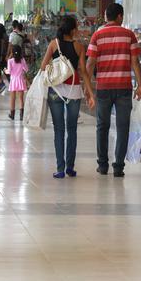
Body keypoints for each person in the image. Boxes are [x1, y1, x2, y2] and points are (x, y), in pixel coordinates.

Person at [86, 3, 141, 178]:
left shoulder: (97, 35)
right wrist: (140, 85)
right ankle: (118, 166)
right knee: (122, 127)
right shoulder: (129, 35)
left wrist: (87, 88)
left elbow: (90, 64)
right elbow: (135, 62)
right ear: (120, 16)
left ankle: (102, 165)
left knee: (102, 126)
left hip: (103, 87)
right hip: (123, 87)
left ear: (106, 17)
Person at [41, 16, 95, 178]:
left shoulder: (53, 44)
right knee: (72, 129)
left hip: (56, 90)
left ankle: (60, 169)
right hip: (74, 90)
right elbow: (83, 72)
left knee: (59, 130)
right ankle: (70, 167)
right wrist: (90, 93)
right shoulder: (79, 46)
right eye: (76, 27)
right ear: (72, 30)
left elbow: (43, 66)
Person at [6, 45, 28, 120]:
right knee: (21, 98)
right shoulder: (22, 60)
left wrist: (5, 70)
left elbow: (9, 71)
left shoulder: (10, 61)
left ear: (12, 52)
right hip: (20, 80)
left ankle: (12, 115)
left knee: (13, 98)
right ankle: (22, 115)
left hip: (13, 80)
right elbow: (26, 69)